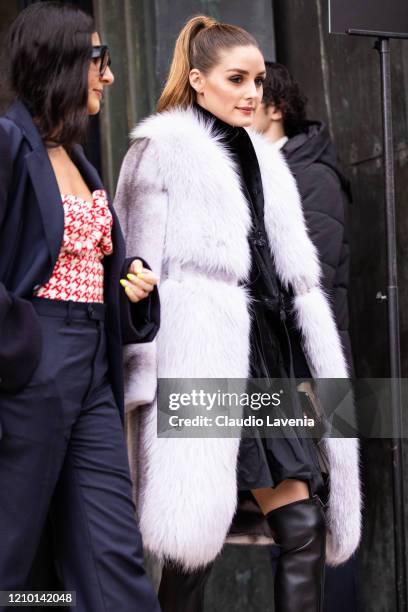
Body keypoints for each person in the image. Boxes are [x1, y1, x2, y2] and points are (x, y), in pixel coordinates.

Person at [114, 15, 361, 612]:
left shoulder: (265, 159)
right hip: (201, 356)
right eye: (236, 78)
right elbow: (133, 268)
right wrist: (143, 380)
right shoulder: (160, 153)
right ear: (198, 80)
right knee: (190, 546)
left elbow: (288, 274)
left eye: (256, 79)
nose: (252, 92)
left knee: (301, 526)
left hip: (268, 359)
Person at [0, 3, 160, 611]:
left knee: (112, 547)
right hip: (31, 364)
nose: (109, 75)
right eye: (100, 59)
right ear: (60, 62)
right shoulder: (8, 143)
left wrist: (128, 281)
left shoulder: (79, 157)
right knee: (10, 554)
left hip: (94, 364)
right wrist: (22, 345)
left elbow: (82, 263)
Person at [253, 61, 358, 612]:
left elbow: (305, 282)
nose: (244, 102)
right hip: (287, 371)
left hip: (316, 372)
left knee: (322, 523)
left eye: (255, 91)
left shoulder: (308, 174)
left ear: (277, 108)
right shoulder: (271, 170)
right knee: (295, 522)